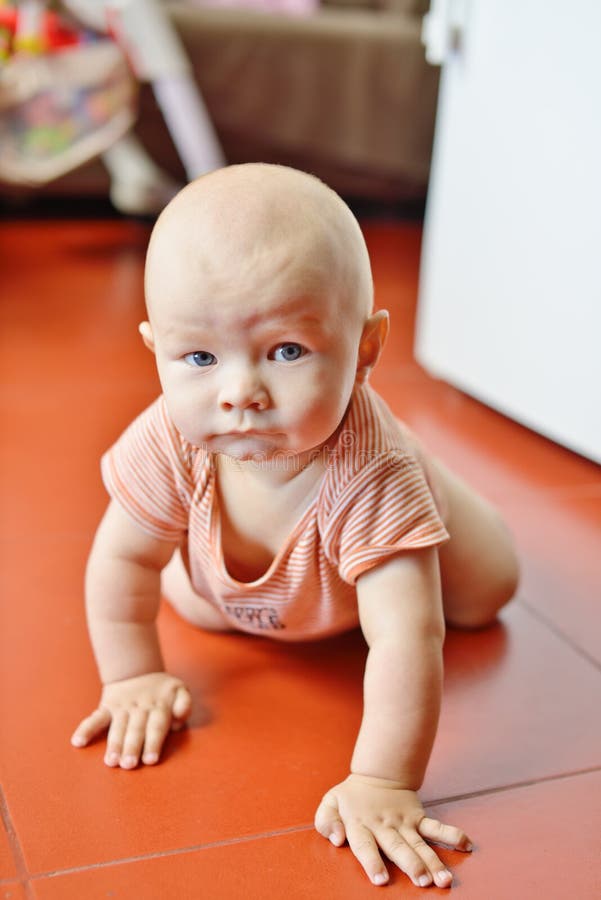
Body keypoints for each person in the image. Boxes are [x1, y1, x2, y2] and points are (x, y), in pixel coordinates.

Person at [71, 163, 519, 889]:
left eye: (286, 351)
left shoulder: (371, 474)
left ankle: (436, 492)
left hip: (361, 550)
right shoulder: (170, 437)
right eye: (199, 357)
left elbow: (408, 637)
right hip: (252, 589)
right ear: (155, 348)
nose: (239, 393)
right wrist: (132, 677)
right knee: (197, 604)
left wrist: (383, 780)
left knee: (484, 594)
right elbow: (122, 562)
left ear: (365, 349)